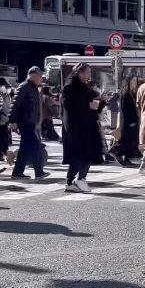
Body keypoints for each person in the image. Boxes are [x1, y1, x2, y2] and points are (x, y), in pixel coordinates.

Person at [60, 63, 104, 192]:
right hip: (76, 127)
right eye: (86, 73)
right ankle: (72, 180)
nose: (88, 76)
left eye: (89, 73)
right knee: (78, 155)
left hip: (88, 126)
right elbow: (68, 105)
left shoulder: (85, 87)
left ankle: (80, 178)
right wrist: (88, 105)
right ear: (79, 73)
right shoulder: (69, 87)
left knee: (87, 154)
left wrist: (100, 103)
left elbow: (92, 103)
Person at [9, 67, 49, 181]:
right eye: (39, 76)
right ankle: (38, 171)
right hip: (25, 122)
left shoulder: (34, 88)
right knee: (36, 147)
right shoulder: (24, 87)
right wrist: (12, 121)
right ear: (32, 75)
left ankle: (18, 172)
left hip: (31, 122)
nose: (41, 78)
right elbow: (15, 104)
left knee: (25, 149)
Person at [111, 76, 141, 166]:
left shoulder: (131, 94)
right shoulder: (125, 94)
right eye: (133, 81)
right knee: (127, 141)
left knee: (130, 141)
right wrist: (130, 121)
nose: (135, 83)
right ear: (128, 82)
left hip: (132, 121)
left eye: (136, 81)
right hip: (128, 122)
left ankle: (124, 157)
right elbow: (125, 110)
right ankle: (116, 152)